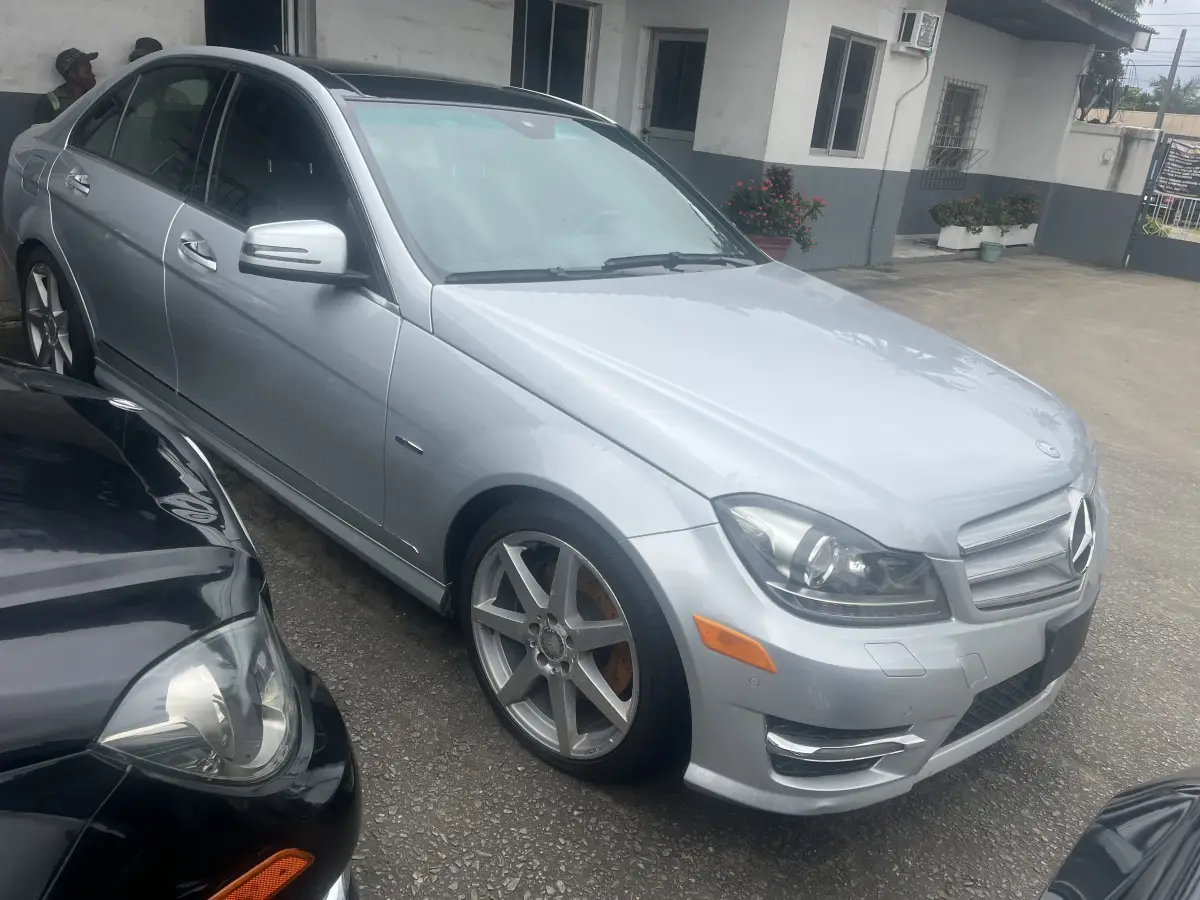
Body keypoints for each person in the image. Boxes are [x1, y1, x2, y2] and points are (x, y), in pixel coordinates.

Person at [32, 48, 98, 124]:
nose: (93, 75)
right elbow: (41, 130)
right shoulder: (50, 101)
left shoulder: (95, 96)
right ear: (72, 74)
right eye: (87, 72)